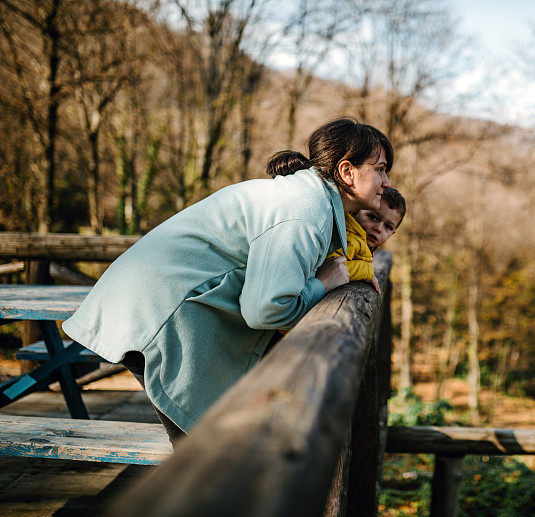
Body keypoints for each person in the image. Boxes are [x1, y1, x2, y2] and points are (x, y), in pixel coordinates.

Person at [62, 117, 393, 445]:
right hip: (155, 312)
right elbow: (265, 311)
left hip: (152, 305)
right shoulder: (305, 211)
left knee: (209, 451)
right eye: (380, 169)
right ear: (347, 171)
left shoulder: (309, 199)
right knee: (206, 455)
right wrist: (325, 283)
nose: (387, 182)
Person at [317, 186, 405, 293]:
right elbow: (333, 268)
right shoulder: (348, 239)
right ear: (355, 212)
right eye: (373, 217)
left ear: (393, 232)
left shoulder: (361, 242)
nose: (378, 229)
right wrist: (367, 271)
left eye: (388, 227)